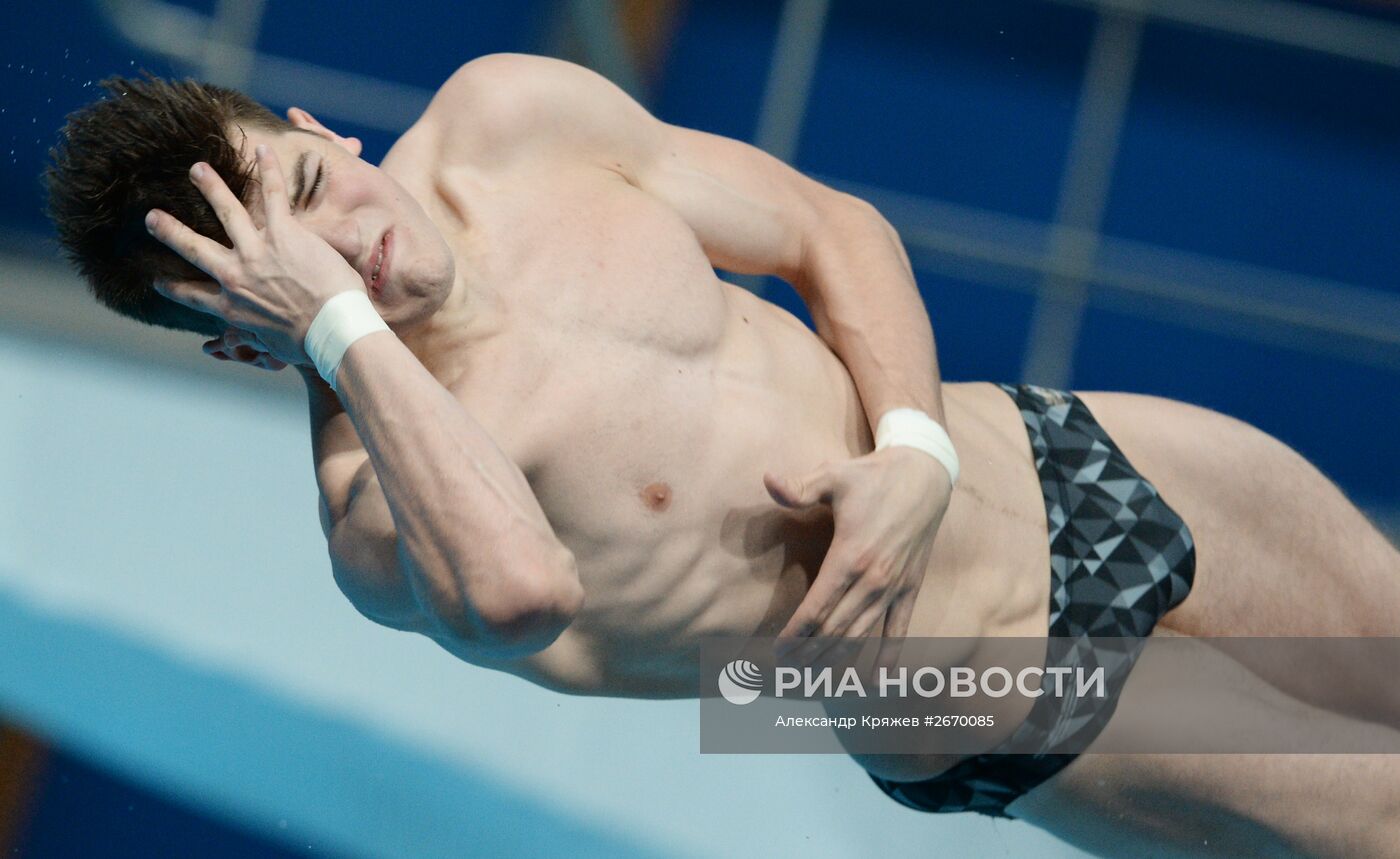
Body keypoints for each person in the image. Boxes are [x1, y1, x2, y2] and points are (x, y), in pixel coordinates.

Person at [44, 54, 1400, 855]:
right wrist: (340, 332)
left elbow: (828, 225)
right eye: (295, 274)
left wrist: (917, 452)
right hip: (983, 688)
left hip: (1057, 444)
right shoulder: (374, 514)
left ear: (325, 132)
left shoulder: (507, 115)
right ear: (245, 339)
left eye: (308, 186)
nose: (354, 241)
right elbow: (523, 597)